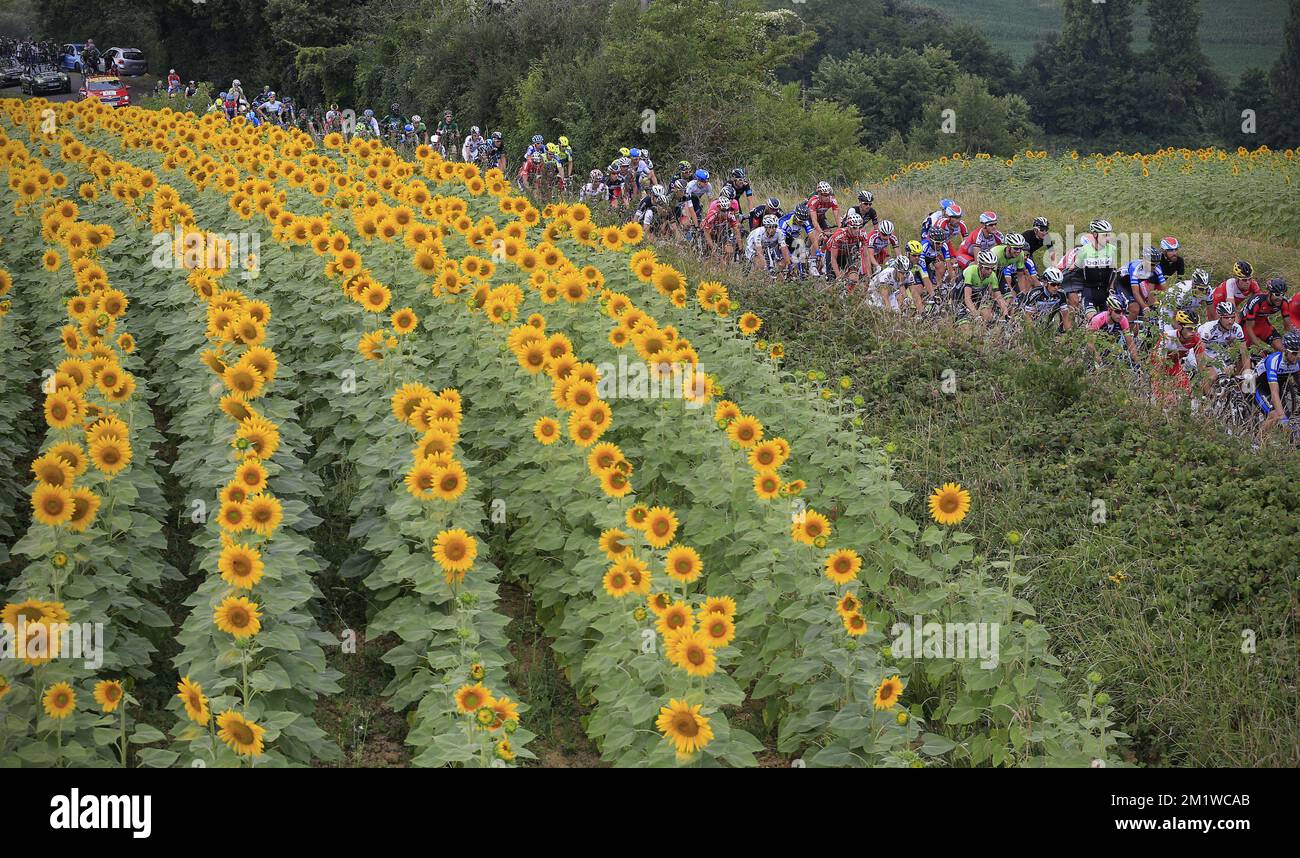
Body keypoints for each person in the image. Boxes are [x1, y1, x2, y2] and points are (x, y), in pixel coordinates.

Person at [1253, 329, 1300, 440]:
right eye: (1294, 353)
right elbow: (1274, 392)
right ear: (1286, 351)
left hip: (1278, 389)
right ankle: (1256, 442)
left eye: (1299, 352)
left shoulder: (1297, 360)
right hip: (1260, 388)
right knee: (1276, 415)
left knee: (1289, 418)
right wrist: (1282, 417)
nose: (1297, 356)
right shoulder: (1274, 361)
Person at [1196, 301, 1251, 388]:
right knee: (1212, 377)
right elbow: (1199, 352)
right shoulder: (1209, 328)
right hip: (1201, 352)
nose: (1230, 321)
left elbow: (1244, 352)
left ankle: (1229, 394)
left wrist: (1248, 372)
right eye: (1226, 318)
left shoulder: (1237, 328)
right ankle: (1203, 396)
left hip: (1217, 353)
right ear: (1220, 317)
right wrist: (1215, 365)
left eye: (1232, 317)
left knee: (1227, 377)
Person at [956, 249, 1007, 324]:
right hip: (960, 297)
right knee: (966, 327)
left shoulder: (992, 276)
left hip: (976, 297)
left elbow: (999, 298)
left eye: (992, 268)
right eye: (987, 268)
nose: (990, 271)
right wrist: (976, 315)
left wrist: (1005, 314)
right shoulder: (971, 272)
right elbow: (967, 298)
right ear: (980, 266)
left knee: (988, 316)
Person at [1087, 294, 1141, 365]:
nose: (1121, 315)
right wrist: (1100, 363)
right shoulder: (1098, 320)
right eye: (1118, 312)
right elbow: (1090, 344)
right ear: (1109, 310)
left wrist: (1139, 364)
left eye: (1123, 312)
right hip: (1093, 347)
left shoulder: (1123, 320)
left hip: (1107, 346)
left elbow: (1130, 343)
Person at [1239, 278, 1290, 353]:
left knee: (1283, 349)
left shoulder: (1284, 303)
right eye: (1277, 294)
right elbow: (1249, 328)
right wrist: (1261, 348)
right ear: (1269, 293)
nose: (1280, 298)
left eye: (1282, 294)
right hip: (1246, 326)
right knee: (1245, 355)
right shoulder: (1257, 301)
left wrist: (1291, 344)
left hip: (1263, 325)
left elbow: (1287, 326)